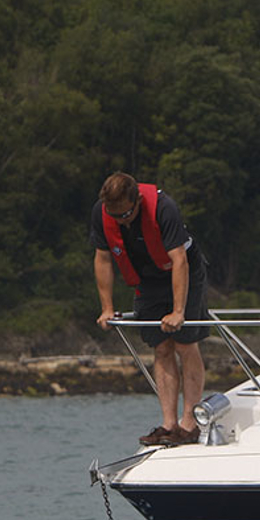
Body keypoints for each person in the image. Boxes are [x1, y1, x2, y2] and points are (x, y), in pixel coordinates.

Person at [90, 172, 209, 446]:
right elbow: (103, 258)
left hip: (182, 271)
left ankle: (189, 423)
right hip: (148, 278)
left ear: (137, 201)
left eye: (125, 214)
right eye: (114, 214)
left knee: (184, 344)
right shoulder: (102, 212)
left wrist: (179, 311)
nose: (120, 220)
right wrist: (107, 308)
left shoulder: (164, 208)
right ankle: (169, 424)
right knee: (161, 347)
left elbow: (179, 261)